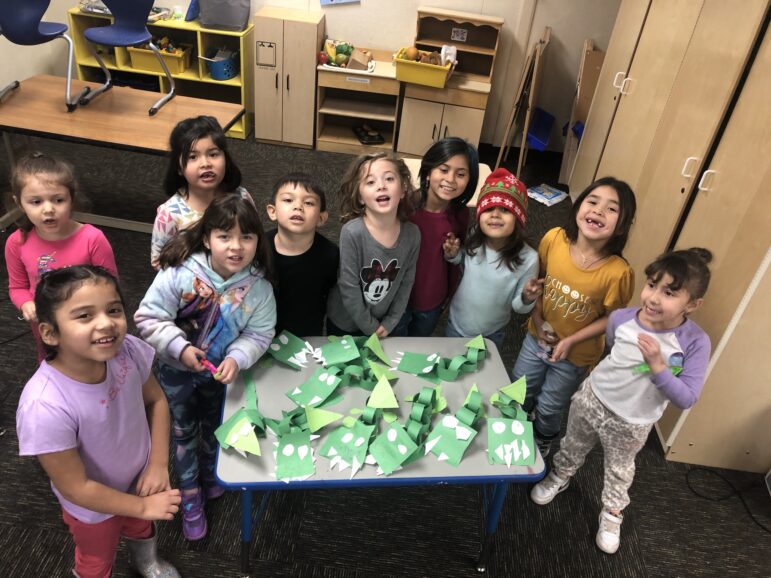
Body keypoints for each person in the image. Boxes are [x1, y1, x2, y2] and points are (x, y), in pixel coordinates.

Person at [530, 248, 713, 554]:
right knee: (573, 443)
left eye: (669, 292)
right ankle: (560, 475)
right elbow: (614, 350)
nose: (653, 298)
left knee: (619, 468)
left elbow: (687, 398)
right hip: (593, 398)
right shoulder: (623, 318)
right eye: (651, 285)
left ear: (693, 304)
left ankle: (612, 513)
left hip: (632, 421)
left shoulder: (694, 342)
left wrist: (658, 368)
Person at [16, 266, 181, 578]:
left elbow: (156, 400)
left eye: (114, 309)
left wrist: (158, 464)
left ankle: (147, 562)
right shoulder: (44, 406)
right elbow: (76, 487)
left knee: (141, 528)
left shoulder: (126, 351)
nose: (106, 323)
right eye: (84, 316)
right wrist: (144, 507)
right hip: (92, 508)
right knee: (96, 559)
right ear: (50, 333)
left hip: (142, 479)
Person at [135, 194, 276, 541]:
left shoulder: (259, 288)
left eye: (247, 237)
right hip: (175, 373)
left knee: (216, 426)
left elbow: (260, 333)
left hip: (219, 378)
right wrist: (180, 348)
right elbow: (148, 317)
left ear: (258, 241)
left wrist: (236, 358)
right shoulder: (180, 274)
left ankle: (212, 473)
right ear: (207, 238)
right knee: (182, 433)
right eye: (225, 236)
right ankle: (189, 494)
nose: (236, 246)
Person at [512, 176, 637, 457]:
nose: (598, 211)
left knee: (550, 405)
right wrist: (539, 316)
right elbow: (538, 283)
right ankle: (513, 428)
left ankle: (542, 439)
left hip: (576, 354)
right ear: (578, 206)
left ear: (622, 225)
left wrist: (571, 341)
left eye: (611, 209)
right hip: (537, 336)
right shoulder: (554, 239)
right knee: (519, 388)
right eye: (592, 202)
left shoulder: (618, 272)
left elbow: (611, 318)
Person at [4, 152, 118, 361]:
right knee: (53, 361)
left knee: (94, 363)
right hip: (47, 323)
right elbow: (17, 287)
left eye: (58, 200)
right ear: (19, 202)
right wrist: (26, 304)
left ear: (71, 199)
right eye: (36, 202)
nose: (48, 209)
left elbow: (111, 286)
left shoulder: (93, 238)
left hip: (88, 322)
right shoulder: (17, 242)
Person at [443, 168, 540, 351]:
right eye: (488, 209)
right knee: (450, 367)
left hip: (491, 334)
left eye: (505, 210)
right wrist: (454, 255)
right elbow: (465, 264)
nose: (495, 215)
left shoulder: (529, 259)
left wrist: (527, 298)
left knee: (482, 375)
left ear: (518, 218)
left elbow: (519, 308)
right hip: (456, 324)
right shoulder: (474, 237)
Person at [326, 152, 420, 337]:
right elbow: (348, 286)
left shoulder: (412, 234)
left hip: (384, 324)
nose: (381, 186)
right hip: (345, 322)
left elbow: (406, 282)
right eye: (370, 182)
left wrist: (392, 320)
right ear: (360, 197)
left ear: (403, 190)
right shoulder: (352, 232)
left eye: (389, 179)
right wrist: (370, 327)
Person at [400, 137, 480, 336]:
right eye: (443, 170)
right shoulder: (403, 207)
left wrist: (454, 253)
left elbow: (457, 259)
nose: (451, 179)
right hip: (397, 298)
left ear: (469, 180)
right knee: (390, 349)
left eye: (460, 174)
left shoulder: (460, 213)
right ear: (428, 172)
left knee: (417, 348)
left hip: (432, 300)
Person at [150, 115, 253, 269]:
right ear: (178, 168)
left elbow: (254, 238)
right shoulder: (169, 214)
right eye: (193, 157)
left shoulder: (241, 197)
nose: (205, 164)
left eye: (213, 154)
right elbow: (159, 261)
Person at [265, 173, 339, 336]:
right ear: (272, 211)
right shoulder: (259, 249)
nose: (298, 206)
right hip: (261, 333)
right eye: (288, 200)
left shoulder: (330, 254)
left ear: (321, 218)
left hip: (308, 334)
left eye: (309, 202)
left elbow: (329, 293)